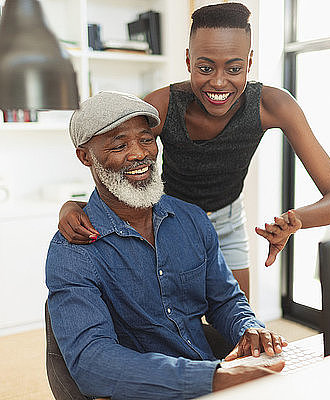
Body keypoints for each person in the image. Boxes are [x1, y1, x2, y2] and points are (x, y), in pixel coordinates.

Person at [57, 3, 330, 299]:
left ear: (249, 63)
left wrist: (295, 220)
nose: (218, 82)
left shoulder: (273, 105)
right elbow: (120, 162)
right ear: (188, 61)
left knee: (238, 326)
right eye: (205, 67)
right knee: (175, 323)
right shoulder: (161, 105)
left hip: (228, 222)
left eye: (234, 68)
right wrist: (77, 205)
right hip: (166, 221)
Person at [46, 91, 286, 400]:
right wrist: (212, 379)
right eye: (119, 145)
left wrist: (249, 328)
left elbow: (225, 300)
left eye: (146, 140)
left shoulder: (192, 220)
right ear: (85, 157)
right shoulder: (72, 252)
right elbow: (91, 362)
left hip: (213, 377)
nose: (138, 154)